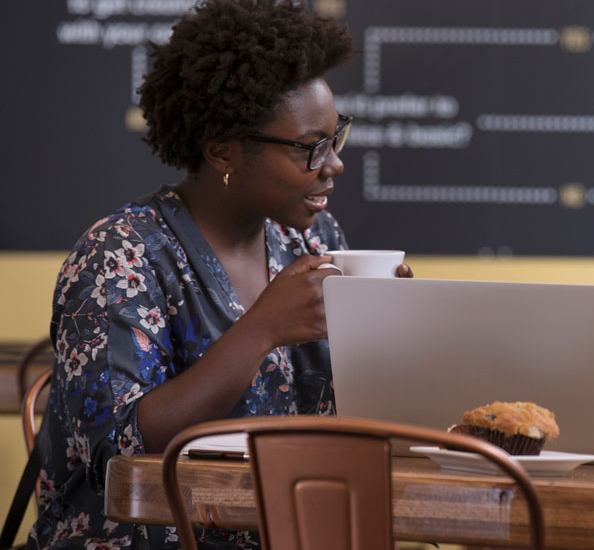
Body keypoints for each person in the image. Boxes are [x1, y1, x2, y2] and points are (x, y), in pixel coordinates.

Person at [28, 1, 409, 548]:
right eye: (310, 147)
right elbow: (120, 452)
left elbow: (354, 416)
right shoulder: (120, 254)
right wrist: (261, 329)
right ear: (223, 152)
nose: (334, 164)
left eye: (337, 135)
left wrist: (399, 331)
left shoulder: (315, 243)